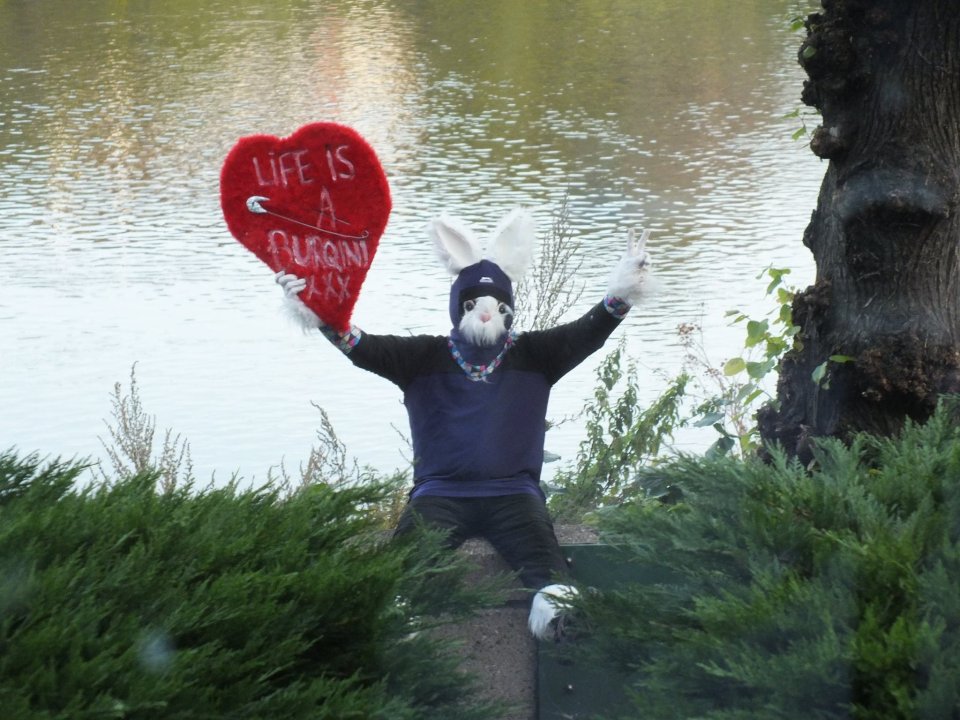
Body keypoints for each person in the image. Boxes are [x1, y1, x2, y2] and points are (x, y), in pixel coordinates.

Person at [276, 209, 651, 639]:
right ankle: (398, 642)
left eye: (496, 306)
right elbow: (359, 344)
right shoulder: (420, 357)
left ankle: (560, 620)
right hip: (440, 496)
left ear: (509, 309)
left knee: (549, 576)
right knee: (403, 576)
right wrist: (318, 312)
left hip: (514, 495)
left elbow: (588, 331)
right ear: (459, 307)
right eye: (474, 304)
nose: (486, 314)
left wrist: (621, 294)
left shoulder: (536, 354)